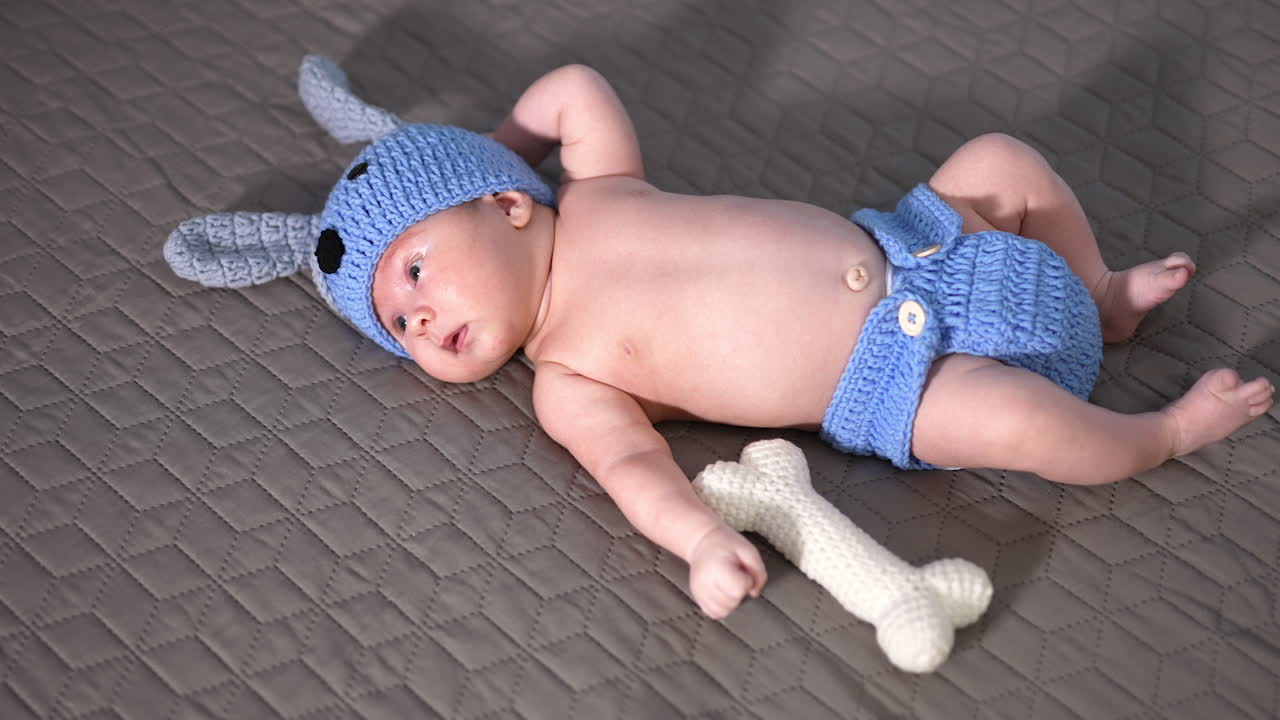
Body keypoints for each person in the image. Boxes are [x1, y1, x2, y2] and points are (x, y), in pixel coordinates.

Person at [167, 59, 1275, 620]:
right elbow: (634, 472)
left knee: (1005, 159)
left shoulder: (598, 186)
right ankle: (1162, 432)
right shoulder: (568, 377)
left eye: (411, 270)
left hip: (913, 241)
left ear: (504, 205)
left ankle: (1102, 295)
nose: (415, 319)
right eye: (396, 324)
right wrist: (696, 543)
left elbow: (571, 88)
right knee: (1029, 425)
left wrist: (495, 149)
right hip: (893, 379)